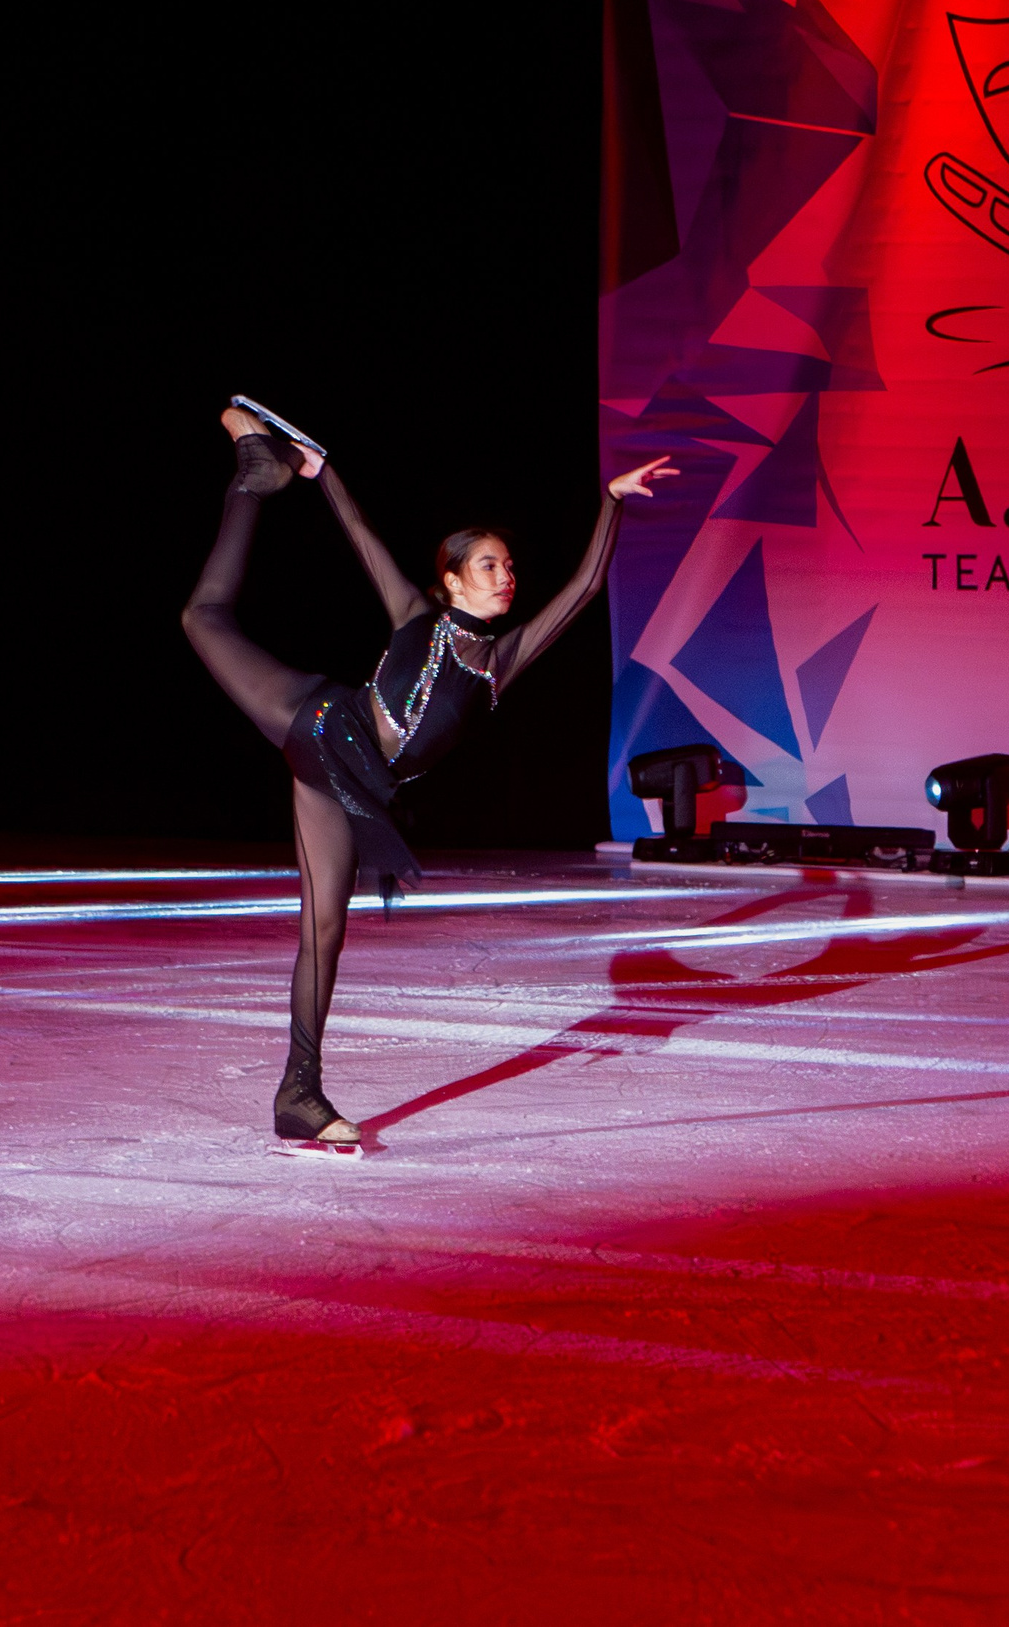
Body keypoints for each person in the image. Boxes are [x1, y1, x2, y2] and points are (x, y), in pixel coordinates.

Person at [181, 401, 672, 1146]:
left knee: (325, 931)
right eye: (489, 565)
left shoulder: (498, 666)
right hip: (317, 722)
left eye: (509, 566)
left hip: (350, 788)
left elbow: (584, 591)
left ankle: (298, 1095)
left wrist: (609, 501)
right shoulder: (416, 613)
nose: (506, 576)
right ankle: (255, 473)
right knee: (201, 618)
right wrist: (322, 473)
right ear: (452, 579)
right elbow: (362, 538)